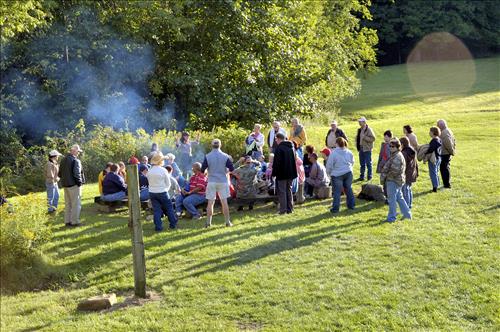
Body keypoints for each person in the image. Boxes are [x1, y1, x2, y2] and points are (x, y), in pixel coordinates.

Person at [201, 139, 235, 227]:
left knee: (210, 203)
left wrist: (207, 171)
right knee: (224, 202)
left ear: (211, 145)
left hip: (211, 181)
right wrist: (226, 170)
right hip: (223, 181)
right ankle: (227, 222)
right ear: (220, 145)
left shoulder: (207, 156)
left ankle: (208, 223)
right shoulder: (225, 156)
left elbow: (202, 170)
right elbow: (232, 169)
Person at [380, 138, 412, 222]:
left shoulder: (397, 156)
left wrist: (386, 177)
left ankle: (391, 218)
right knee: (399, 198)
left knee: (392, 200)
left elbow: (394, 171)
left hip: (393, 181)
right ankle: (407, 215)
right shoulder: (395, 154)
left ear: (398, 147)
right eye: (389, 146)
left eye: (392, 146)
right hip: (396, 181)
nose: (390, 148)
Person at [147, 152, 178, 231]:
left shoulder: (149, 171)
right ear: (161, 161)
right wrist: (165, 190)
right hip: (162, 192)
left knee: (157, 210)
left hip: (152, 193)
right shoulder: (163, 170)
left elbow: (149, 182)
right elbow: (168, 183)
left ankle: (158, 227)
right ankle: (173, 225)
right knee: (169, 208)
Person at [326, 137, 355, 213]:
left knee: (337, 192)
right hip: (348, 172)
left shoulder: (334, 153)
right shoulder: (349, 152)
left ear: (337, 144)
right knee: (348, 189)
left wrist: (328, 173)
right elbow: (352, 162)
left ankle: (335, 209)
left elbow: (329, 165)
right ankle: (351, 205)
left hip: (337, 174)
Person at [58, 144, 85, 227]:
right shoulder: (76, 161)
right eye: (78, 152)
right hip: (74, 185)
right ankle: (75, 221)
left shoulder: (62, 160)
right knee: (76, 204)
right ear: (74, 151)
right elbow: (77, 174)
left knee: (68, 204)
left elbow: (59, 174)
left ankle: (67, 221)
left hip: (65, 185)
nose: (78, 153)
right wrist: (79, 183)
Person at [272, 133, 298, 214]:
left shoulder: (279, 148)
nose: (276, 141)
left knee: (282, 192)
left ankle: (283, 210)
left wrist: (274, 173)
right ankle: (290, 209)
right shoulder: (292, 147)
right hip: (290, 172)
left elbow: (277, 162)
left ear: (279, 139)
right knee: (289, 190)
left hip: (282, 173)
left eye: (276, 139)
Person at [400, 136, 418, 209]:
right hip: (412, 173)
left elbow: (402, 165)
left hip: (406, 174)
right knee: (408, 189)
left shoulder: (404, 153)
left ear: (402, 144)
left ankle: (406, 206)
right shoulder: (411, 150)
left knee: (405, 190)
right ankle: (409, 204)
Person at [355, 117, 376, 181]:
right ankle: (362, 176)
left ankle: (369, 176)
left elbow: (373, 139)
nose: (359, 123)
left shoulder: (369, 129)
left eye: (360, 121)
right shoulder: (359, 129)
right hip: (361, 148)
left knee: (368, 163)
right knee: (362, 164)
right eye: (359, 121)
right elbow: (358, 137)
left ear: (364, 122)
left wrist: (365, 137)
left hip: (367, 149)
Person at [437, 119, 456, 189]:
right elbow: (454, 140)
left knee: (444, 168)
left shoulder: (444, 132)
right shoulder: (448, 130)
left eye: (438, 125)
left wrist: (451, 151)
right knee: (445, 168)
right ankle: (447, 183)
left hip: (445, 153)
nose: (437, 127)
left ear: (441, 126)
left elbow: (448, 143)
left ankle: (447, 184)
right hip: (446, 152)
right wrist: (453, 149)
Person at [376, 130, 393, 199]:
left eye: (386, 137)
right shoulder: (384, 145)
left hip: (387, 167)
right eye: (384, 137)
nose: (384, 138)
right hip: (383, 165)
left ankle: (388, 197)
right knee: (383, 181)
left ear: (390, 137)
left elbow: (388, 157)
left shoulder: (391, 146)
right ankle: (386, 196)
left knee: (387, 182)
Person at [426, 126, 442, 192]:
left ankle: (435, 187)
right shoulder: (439, 139)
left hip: (433, 158)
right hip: (439, 158)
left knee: (433, 173)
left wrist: (425, 151)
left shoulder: (434, 140)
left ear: (433, 132)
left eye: (430, 131)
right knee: (436, 172)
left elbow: (430, 150)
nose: (429, 133)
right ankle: (437, 184)